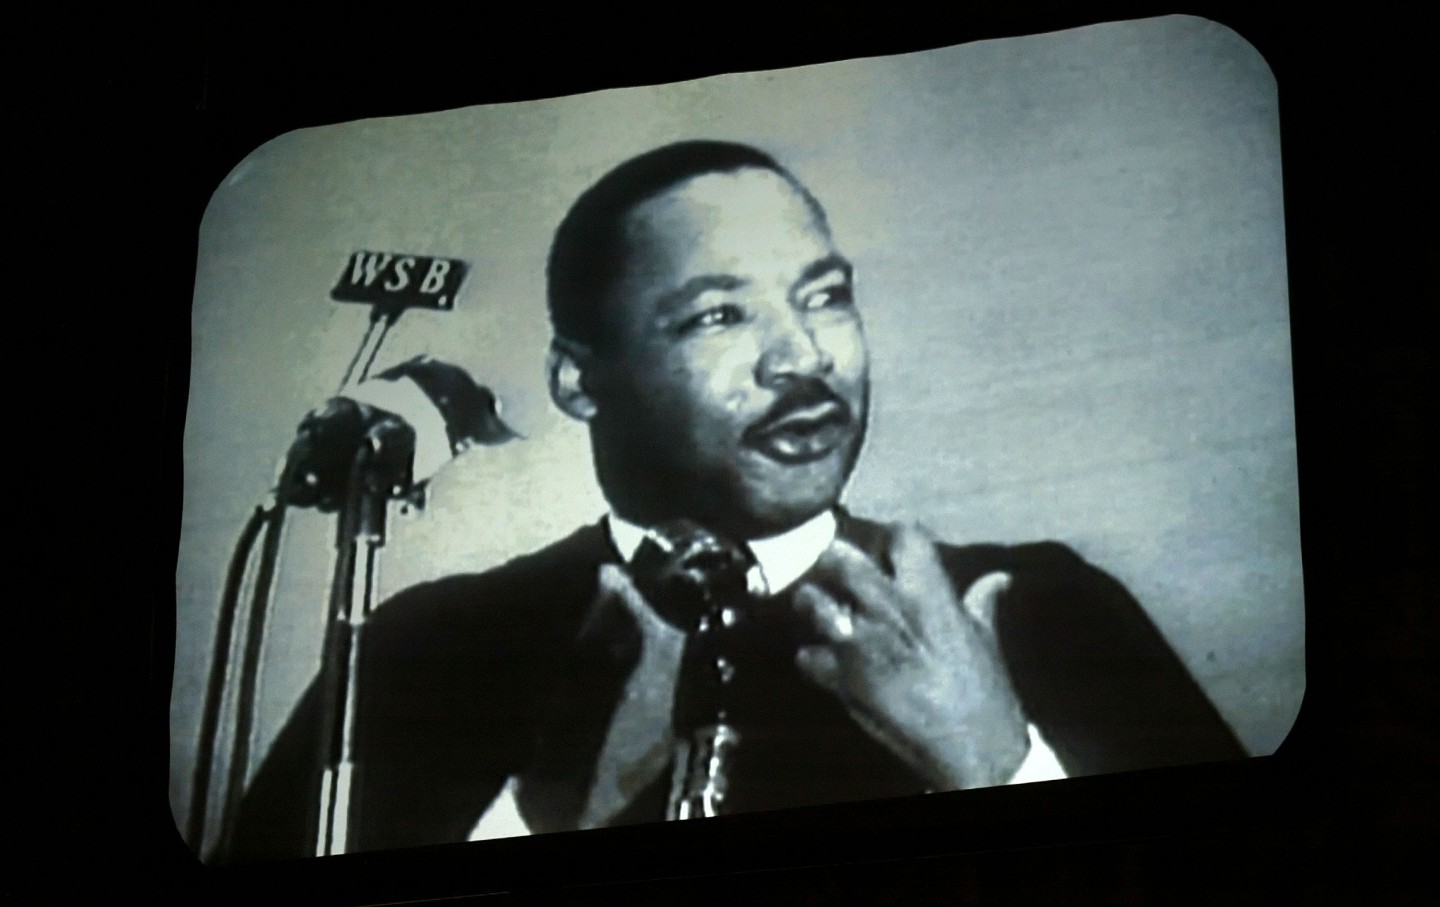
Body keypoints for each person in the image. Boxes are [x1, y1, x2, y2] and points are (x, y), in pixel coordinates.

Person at [229, 140, 1244, 861]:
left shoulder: (1041, 610)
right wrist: (541, 815)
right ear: (579, 379)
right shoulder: (425, 649)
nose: (804, 358)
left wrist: (1004, 766)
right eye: (718, 314)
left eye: (826, 296)